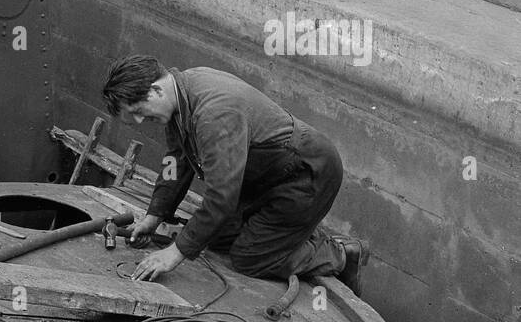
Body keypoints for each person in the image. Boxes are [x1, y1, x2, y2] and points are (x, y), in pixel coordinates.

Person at [100, 55, 368, 291]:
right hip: (263, 175)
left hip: (304, 174)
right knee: (216, 238)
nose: (138, 121)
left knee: (249, 258)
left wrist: (174, 253)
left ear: (156, 90)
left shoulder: (213, 114)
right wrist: (154, 215)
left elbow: (222, 197)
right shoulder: (178, 99)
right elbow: (175, 162)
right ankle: (292, 233)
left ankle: (341, 254)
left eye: (138, 112)